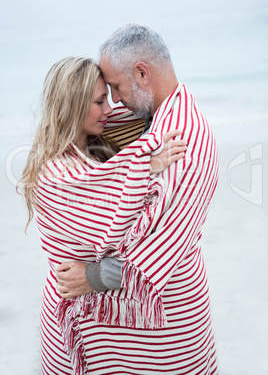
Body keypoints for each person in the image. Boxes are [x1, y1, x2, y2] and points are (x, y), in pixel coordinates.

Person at [57, 24, 219, 374]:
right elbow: (82, 117)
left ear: (142, 73)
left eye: (115, 88)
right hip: (138, 336)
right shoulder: (149, 117)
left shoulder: (181, 140)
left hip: (168, 330)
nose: (113, 102)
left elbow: (156, 248)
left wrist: (90, 277)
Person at [18, 56, 187, 374]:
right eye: (99, 101)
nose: (109, 109)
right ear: (72, 105)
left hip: (98, 315)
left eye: (110, 97)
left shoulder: (94, 150)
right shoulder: (56, 172)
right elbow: (112, 225)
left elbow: (145, 112)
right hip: (75, 316)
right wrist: (147, 165)